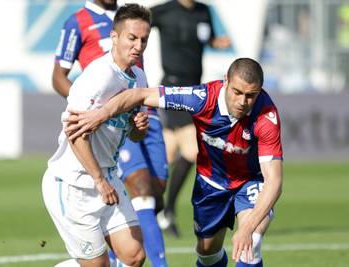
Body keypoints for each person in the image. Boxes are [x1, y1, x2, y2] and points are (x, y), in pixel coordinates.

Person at [65, 58, 284, 267]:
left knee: (251, 241)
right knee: (207, 253)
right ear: (226, 80)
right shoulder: (201, 98)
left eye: (250, 95)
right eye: (237, 92)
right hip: (211, 183)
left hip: (249, 181)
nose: (242, 101)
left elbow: (273, 181)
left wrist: (246, 229)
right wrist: (100, 115)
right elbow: (140, 94)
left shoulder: (266, 115)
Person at [42, 4, 161, 267]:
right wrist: (98, 180)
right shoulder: (97, 76)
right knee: (97, 265)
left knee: (134, 256)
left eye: (144, 40)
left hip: (106, 176)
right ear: (114, 38)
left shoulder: (138, 77)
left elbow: (133, 134)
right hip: (72, 183)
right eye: (132, 38)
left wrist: (137, 128)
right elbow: (74, 134)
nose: (138, 46)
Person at [150, 0, 231, 237]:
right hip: (173, 88)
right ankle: (165, 211)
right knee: (193, 149)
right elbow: (136, 26)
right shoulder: (163, 11)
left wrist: (218, 43)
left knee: (168, 154)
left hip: (195, 91)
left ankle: (152, 209)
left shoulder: (203, 11)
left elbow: (208, 39)